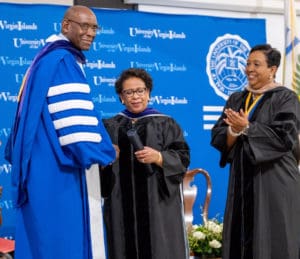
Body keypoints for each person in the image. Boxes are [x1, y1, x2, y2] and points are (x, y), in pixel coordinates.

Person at [5, 5, 116, 259]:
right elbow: (76, 128)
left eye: (94, 28)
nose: (91, 33)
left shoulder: (42, 61)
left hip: (39, 166)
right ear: (66, 26)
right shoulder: (63, 61)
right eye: (84, 26)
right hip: (59, 170)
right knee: (65, 241)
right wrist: (104, 152)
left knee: (43, 241)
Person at [211, 43, 300, 259]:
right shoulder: (237, 99)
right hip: (243, 178)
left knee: (274, 238)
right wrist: (234, 129)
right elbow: (218, 136)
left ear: (272, 69)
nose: (249, 69)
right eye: (248, 63)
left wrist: (249, 128)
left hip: (274, 180)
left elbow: (285, 137)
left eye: (256, 64)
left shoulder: (285, 98)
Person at [100, 68, 191, 259]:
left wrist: (159, 157)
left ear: (148, 93)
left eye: (140, 91)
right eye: (129, 92)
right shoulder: (110, 126)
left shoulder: (166, 123)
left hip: (157, 205)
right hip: (119, 205)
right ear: (121, 97)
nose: (135, 97)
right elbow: (97, 170)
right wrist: (106, 159)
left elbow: (182, 158)